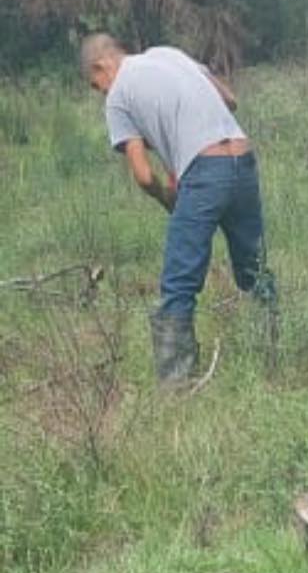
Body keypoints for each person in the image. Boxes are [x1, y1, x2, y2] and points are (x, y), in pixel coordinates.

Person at [81, 33, 276, 384]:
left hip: (204, 173)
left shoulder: (118, 98)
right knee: (254, 269)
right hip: (242, 160)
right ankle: (274, 355)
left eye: (98, 86)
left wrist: (168, 198)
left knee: (178, 282)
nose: (103, 94)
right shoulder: (167, 53)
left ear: (101, 65)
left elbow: (142, 175)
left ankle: (176, 385)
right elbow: (230, 100)